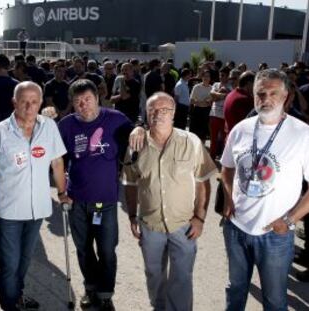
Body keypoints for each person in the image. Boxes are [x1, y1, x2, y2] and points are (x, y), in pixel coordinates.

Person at [221, 69, 309, 311]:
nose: (266, 99)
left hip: (275, 234)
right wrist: (228, 199)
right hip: (236, 229)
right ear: (253, 95)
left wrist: (289, 220)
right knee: (235, 289)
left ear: (286, 96)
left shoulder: (302, 134)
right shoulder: (241, 129)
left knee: (274, 299)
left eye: (273, 93)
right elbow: (226, 169)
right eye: (261, 93)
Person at [122, 92, 216, 311]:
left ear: (173, 114)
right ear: (146, 113)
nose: (158, 114)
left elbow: (203, 181)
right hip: (150, 224)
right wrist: (132, 216)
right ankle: (159, 306)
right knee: (153, 273)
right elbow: (130, 183)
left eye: (164, 110)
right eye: (153, 110)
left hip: (183, 225)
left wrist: (200, 218)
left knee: (182, 277)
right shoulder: (136, 144)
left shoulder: (190, 141)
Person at [0, 81, 68, 311]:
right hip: (8, 210)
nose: (29, 107)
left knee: (24, 260)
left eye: (34, 102)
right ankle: (10, 304)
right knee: (9, 263)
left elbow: (57, 161)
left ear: (41, 103)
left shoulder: (49, 126)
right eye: (24, 102)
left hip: (38, 208)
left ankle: (17, 295)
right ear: (14, 103)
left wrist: (62, 192)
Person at [58, 79, 135, 311]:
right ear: (72, 104)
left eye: (87, 99)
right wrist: (62, 190)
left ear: (97, 98)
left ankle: (105, 294)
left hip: (105, 201)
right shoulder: (66, 125)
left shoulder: (116, 119)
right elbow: (58, 160)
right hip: (77, 200)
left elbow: (135, 137)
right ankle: (90, 288)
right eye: (78, 102)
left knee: (106, 250)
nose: (83, 105)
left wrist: (139, 127)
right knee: (83, 249)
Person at [209, 66, 232, 160]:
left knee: (223, 139)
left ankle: (223, 159)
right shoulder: (215, 84)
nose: (220, 77)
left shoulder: (231, 86)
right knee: (213, 139)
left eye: (222, 75)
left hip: (224, 117)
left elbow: (228, 97)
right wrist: (222, 94)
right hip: (214, 114)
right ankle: (211, 158)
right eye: (220, 75)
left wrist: (217, 95)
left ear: (227, 76)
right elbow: (212, 96)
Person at [189, 70, 213, 142]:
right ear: (202, 77)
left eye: (208, 76)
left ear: (210, 78)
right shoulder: (196, 87)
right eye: (204, 76)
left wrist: (208, 102)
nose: (206, 78)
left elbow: (212, 101)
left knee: (204, 134)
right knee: (195, 133)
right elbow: (191, 100)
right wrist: (201, 102)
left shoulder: (212, 88)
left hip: (207, 112)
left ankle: (202, 149)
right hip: (197, 111)